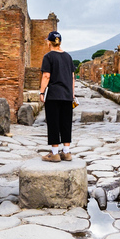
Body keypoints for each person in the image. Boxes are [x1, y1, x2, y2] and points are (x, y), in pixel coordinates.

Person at [39, 31, 75, 162]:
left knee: (53, 122)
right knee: (66, 122)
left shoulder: (48, 57)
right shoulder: (68, 57)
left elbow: (46, 76)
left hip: (53, 95)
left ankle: (54, 153)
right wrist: (72, 93)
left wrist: (41, 92)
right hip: (67, 95)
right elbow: (72, 77)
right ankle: (66, 152)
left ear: (49, 42)